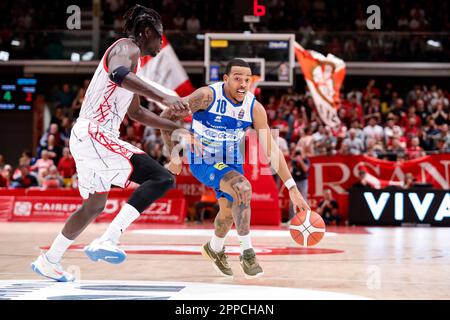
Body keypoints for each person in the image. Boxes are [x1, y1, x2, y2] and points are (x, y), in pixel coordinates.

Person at [31, 5, 194, 282]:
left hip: (89, 136)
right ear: (145, 32)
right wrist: (165, 98)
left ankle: (50, 260)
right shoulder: (126, 48)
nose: (160, 41)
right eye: (159, 35)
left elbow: (136, 113)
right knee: (162, 177)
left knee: (94, 205)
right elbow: (118, 75)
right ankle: (108, 239)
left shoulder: (134, 64)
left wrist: (176, 127)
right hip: (95, 132)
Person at [160, 59, 310, 279]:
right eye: (237, 78)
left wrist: (292, 188)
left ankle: (214, 248)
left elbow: (272, 150)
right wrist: (174, 155)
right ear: (226, 79)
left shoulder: (254, 108)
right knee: (242, 187)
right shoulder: (206, 96)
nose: (243, 84)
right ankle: (247, 252)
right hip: (204, 158)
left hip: (231, 161)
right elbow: (166, 116)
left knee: (229, 212)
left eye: (247, 79)